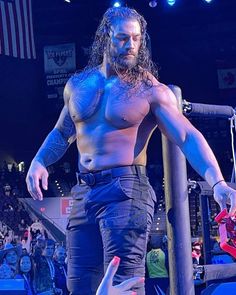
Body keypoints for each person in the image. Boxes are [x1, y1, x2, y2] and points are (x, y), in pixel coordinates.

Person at [26, 6, 236, 295]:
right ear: (105, 38)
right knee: (81, 286)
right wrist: (39, 160)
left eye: (137, 39)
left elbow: (187, 136)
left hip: (125, 190)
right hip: (83, 191)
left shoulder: (149, 89)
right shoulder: (78, 84)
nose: (131, 46)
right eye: (123, 38)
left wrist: (218, 182)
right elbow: (63, 132)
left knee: (123, 284)